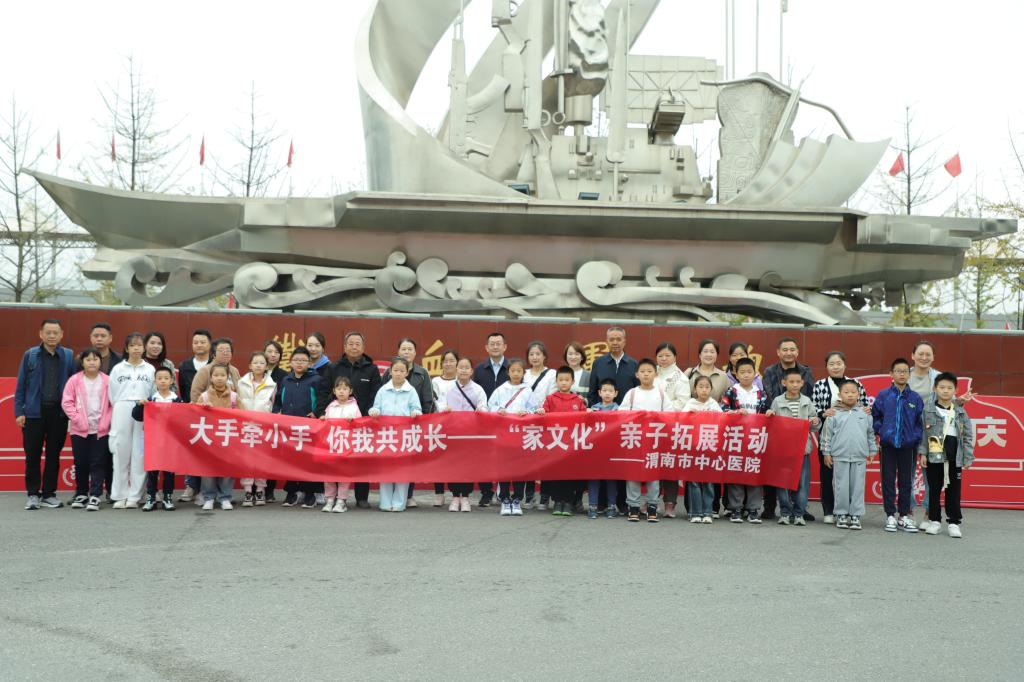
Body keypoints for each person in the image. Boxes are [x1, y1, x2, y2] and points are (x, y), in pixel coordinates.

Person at [15, 319, 75, 510]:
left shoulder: (68, 356)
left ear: (61, 334)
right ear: (41, 334)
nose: (52, 336)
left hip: (58, 413)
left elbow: (73, 384)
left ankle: (49, 494)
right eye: (48, 332)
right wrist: (19, 412)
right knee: (32, 455)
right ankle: (33, 494)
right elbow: (21, 385)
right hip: (34, 413)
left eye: (55, 332)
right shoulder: (31, 355)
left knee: (53, 455)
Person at [811, 352, 869, 524]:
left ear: (845, 365)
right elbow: (814, 408)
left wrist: (866, 409)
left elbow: (865, 406)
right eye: (831, 364)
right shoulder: (820, 385)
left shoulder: (855, 384)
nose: (835, 367)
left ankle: (850, 512)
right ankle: (829, 510)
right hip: (829, 436)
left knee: (850, 479)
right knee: (827, 473)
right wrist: (824, 412)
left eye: (838, 363)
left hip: (851, 437)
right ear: (826, 366)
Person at [761, 337, 815, 520]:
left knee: (800, 476)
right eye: (785, 349)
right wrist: (781, 414)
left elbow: (809, 395)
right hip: (779, 426)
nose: (789, 353)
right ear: (778, 352)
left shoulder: (806, 372)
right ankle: (771, 507)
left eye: (792, 349)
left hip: (800, 431)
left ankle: (800, 510)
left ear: (797, 352)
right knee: (777, 473)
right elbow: (769, 395)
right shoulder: (770, 371)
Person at [586, 326, 638, 514]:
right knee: (601, 460)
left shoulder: (633, 364)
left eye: (618, 339)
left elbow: (637, 392)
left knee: (622, 461)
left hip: (625, 424)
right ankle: (601, 502)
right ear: (607, 341)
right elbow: (592, 392)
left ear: (625, 341)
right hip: (602, 424)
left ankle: (622, 502)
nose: (615, 342)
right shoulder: (599, 363)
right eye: (612, 339)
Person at [329, 331, 382, 509]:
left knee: (362, 459)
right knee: (336, 461)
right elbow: (324, 392)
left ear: (363, 347)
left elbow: (376, 395)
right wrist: (323, 412)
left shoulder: (371, 369)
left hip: (363, 424)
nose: (354, 347)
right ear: (344, 347)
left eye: (357, 344)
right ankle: (335, 497)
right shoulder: (334, 368)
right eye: (350, 344)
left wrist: (367, 417)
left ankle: (362, 497)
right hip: (337, 425)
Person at [872, 358, 925, 533]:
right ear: (891, 374)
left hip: (908, 447)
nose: (902, 374)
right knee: (887, 480)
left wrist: (914, 437)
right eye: (898, 371)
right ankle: (890, 515)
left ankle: (903, 515)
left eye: (905, 371)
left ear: (909, 375)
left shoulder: (915, 398)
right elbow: (875, 416)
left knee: (906, 481)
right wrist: (882, 431)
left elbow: (920, 422)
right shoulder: (884, 395)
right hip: (887, 445)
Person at [919, 372, 974, 538]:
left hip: (954, 457)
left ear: (955, 390)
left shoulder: (960, 412)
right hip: (934, 456)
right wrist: (923, 453)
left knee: (954, 491)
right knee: (934, 490)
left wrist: (968, 457)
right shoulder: (928, 410)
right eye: (942, 387)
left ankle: (954, 523)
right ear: (935, 389)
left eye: (950, 388)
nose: (945, 391)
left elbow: (967, 436)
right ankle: (934, 521)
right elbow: (923, 434)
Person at [382, 338, 435, 507]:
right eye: (403, 349)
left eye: (410, 349)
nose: (406, 352)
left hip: (413, 425)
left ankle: (408, 495)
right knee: (390, 461)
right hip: (390, 428)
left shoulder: (422, 373)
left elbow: (428, 399)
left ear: (415, 352)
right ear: (398, 352)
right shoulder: (388, 373)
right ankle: (389, 499)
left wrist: (423, 420)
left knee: (409, 461)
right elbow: (381, 396)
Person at [820, 379, 877, 531]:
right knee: (841, 487)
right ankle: (841, 514)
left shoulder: (865, 413)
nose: (850, 395)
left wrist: (872, 450)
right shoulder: (833, 413)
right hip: (840, 456)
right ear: (840, 395)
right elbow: (826, 435)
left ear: (858, 394)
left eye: (853, 392)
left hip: (859, 456)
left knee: (858, 487)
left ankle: (856, 515)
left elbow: (870, 434)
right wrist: (826, 452)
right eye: (846, 392)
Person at [620, 358, 672, 523]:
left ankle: (652, 506)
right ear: (637, 374)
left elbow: (670, 414)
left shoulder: (661, 394)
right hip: (635, 440)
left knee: (653, 474)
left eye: (649, 371)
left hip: (654, 441)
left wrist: (655, 417)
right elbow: (621, 413)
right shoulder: (632, 393)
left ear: (655, 374)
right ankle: (633, 506)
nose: (646, 374)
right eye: (642, 371)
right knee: (633, 473)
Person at [107, 332, 155, 509]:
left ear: (144, 348)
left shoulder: (150, 369)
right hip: (122, 408)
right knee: (120, 451)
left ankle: (135, 495)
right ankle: (119, 495)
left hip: (143, 409)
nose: (136, 349)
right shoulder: (118, 369)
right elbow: (112, 393)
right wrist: (122, 405)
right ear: (127, 348)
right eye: (132, 345)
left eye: (139, 345)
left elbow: (153, 391)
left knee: (139, 453)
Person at [368, 357, 423, 512]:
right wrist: (374, 411)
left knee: (402, 470)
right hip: (386, 435)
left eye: (402, 371)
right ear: (390, 371)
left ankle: (399, 503)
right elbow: (376, 407)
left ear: (407, 372)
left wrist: (415, 412)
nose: (398, 373)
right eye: (396, 370)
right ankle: (385, 503)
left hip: (404, 435)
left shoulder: (411, 391)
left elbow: (417, 408)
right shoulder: (383, 390)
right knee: (385, 469)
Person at [767, 368, 820, 526]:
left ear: (803, 383)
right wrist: (770, 415)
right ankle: (785, 512)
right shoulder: (777, 401)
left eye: (798, 382)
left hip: (802, 449)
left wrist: (816, 421)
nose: (795, 384)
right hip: (783, 450)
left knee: (802, 483)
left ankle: (799, 513)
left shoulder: (807, 401)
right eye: (791, 382)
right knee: (782, 482)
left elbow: (814, 425)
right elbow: (772, 425)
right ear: (784, 383)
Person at [61, 348, 112, 511]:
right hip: (79, 430)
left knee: (98, 462)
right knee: (81, 462)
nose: (92, 362)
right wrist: (77, 419)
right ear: (82, 362)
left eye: (95, 359)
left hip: (100, 430)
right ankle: (82, 493)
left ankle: (95, 495)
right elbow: (67, 402)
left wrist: (106, 422)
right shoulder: (74, 380)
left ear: (100, 362)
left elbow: (113, 404)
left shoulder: (107, 380)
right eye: (88, 359)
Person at [274, 346, 325, 508]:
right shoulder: (286, 380)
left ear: (309, 363)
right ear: (290, 362)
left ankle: (310, 493)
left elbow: (322, 399)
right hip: (289, 427)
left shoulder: (316, 379)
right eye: (296, 360)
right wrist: (277, 412)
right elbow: (277, 400)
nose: (299, 363)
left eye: (303, 360)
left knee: (308, 461)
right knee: (290, 460)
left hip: (308, 428)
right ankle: (291, 492)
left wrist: (316, 413)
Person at [720, 357, 769, 523]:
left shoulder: (761, 393)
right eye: (742, 372)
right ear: (736, 373)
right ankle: (736, 509)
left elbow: (766, 411)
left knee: (754, 473)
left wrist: (769, 413)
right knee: (736, 473)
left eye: (749, 371)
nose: (746, 375)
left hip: (755, 439)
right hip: (736, 438)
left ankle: (753, 509)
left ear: (755, 373)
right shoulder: (731, 392)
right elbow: (723, 410)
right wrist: (735, 413)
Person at [535, 366, 588, 516]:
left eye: (567, 380)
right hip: (555, 443)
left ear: (572, 382)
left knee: (570, 473)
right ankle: (558, 502)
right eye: (561, 380)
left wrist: (589, 413)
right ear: (556, 381)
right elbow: (543, 415)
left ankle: (569, 502)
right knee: (556, 473)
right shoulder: (550, 399)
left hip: (571, 443)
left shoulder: (578, 400)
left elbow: (584, 419)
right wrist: (541, 412)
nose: (564, 382)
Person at [442, 356, 487, 512]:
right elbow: (439, 405)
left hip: (470, 434)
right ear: (456, 369)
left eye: (467, 367)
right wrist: (444, 409)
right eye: (461, 367)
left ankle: (466, 497)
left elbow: (484, 406)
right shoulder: (448, 388)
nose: (463, 370)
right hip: (452, 433)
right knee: (453, 465)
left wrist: (481, 410)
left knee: (468, 465)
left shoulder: (478, 389)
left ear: (471, 371)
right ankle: (455, 497)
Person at [489, 358, 533, 517]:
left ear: (523, 373)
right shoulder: (500, 390)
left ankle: (517, 499)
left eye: (519, 371)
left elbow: (534, 409)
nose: (516, 374)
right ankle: (505, 498)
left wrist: (526, 413)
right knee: (504, 467)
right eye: (513, 370)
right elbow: (490, 406)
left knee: (520, 467)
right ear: (508, 372)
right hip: (504, 434)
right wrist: (499, 410)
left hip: (521, 435)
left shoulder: (527, 390)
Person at [654, 342, 691, 517]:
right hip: (652, 426)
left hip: (671, 426)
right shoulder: (651, 372)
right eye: (660, 355)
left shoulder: (681, 378)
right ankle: (652, 501)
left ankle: (670, 503)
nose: (664, 359)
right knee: (653, 463)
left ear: (675, 357)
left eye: (667, 355)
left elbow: (683, 402)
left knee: (669, 464)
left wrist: (662, 408)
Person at [136, 366, 181, 512]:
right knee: (152, 470)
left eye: (166, 378)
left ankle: (168, 497)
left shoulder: (177, 400)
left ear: (172, 380)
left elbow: (184, 418)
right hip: (153, 440)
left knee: (169, 471)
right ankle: (151, 497)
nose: (163, 381)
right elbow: (136, 416)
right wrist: (139, 405)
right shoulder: (151, 399)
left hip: (170, 441)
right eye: (159, 378)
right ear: (155, 381)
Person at [195, 364, 238, 511]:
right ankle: (209, 497)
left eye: (223, 375)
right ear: (211, 378)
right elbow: (194, 416)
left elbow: (243, 417)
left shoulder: (234, 397)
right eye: (216, 375)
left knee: (227, 469)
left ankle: (225, 497)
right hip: (209, 438)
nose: (219, 378)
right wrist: (202, 408)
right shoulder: (204, 396)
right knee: (208, 470)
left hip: (227, 438)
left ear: (228, 377)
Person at [177, 328, 212, 503]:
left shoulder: (215, 364)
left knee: (208, 451)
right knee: (191, 450)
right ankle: (191, 485)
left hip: (212, 414)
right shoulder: (185, 366)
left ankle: (206, 489)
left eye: (202, 342)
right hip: (192, 413)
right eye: (196, 342)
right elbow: (183, 390)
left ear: (210, 344)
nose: (199, 345)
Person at [238, 351, 277, 506]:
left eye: (262, 363)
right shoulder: (241, 383)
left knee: (262, 459)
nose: (258, 365)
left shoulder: (272, 384)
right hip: (246, 426)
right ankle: (248, 491)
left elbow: (274, 405)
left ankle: (260, 490)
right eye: (255, 362)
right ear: (250, 365)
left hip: (264, 427)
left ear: (266, 366)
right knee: (246, 460)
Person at [681, 375, 721, 524]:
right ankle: (695, 512)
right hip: (693, 448)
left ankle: (708, 512)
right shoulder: (690, 403)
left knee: (709, 481)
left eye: (707, 387)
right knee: (694, 481)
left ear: (711, 389)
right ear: (695, 389)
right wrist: (688, 415)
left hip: (710, 448)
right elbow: (680, 421)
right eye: (701, 387)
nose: (704, 390)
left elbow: (723, 421)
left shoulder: (714, 404)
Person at [524, 341, 557, 509]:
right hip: (527, 422)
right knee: (528, 460)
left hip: (545, 420)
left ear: (544, 356)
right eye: (531, 354)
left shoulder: (552, 374)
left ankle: (545, 497)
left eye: (538, 354)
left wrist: (542, 410)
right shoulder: (524, 374)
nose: (535, 357)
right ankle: (529, 496)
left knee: (546, 460)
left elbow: (552, 396)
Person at [322, 376, 361, 513]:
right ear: (334, 391)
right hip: (331, 446)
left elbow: (360, 426)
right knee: (329, 474)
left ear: (350, 391)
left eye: (345, 388)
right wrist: (323, 419)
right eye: (339, 388)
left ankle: (341, 500)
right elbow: (324, 426)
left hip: (346, 447)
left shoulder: (354, 407)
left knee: (344, 474)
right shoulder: (330, 407)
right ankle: (329, 499)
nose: (342, 391)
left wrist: (353, 421)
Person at [430, 349, 460, 506]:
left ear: (457, 363)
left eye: (452, 360)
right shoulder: (435, 381)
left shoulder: (462, 381)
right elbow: (435, 400)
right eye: (445, 361)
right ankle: (439, 493)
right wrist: (444, 409)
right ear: (441, 363)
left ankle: (456, 494)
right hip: (439, 425)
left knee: (455, 460)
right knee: (438, 460)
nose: (448, 364)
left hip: (457, 425)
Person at [587, 379, 620, 519]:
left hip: (612, 450)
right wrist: (587, 413)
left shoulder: (620, 410)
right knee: (593, 478)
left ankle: (611, 506)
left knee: (611, 479)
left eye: (610, 391)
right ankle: (592, 506)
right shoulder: (593, 409)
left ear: (615, 393)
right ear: (599, 392)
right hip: (595, 450)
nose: (607, 393)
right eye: (604, 390)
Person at [261, 339, 286, 501]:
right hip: (257, 419)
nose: (273, 355)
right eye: (270, 351)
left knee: (272, 456)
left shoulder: (284, 375)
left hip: (274, 418)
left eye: (276, 352)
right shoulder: (256, 371)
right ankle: (255, 489)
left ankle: (269, 491)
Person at [189, 338, 242, 403]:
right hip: (210, 407)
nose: (225, 353)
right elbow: (195, 394)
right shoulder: (205, 371)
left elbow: (239, 392)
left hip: (231, 408)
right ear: (214, 355)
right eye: (221, 350)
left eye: (228, 350)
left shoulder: (234, 371)